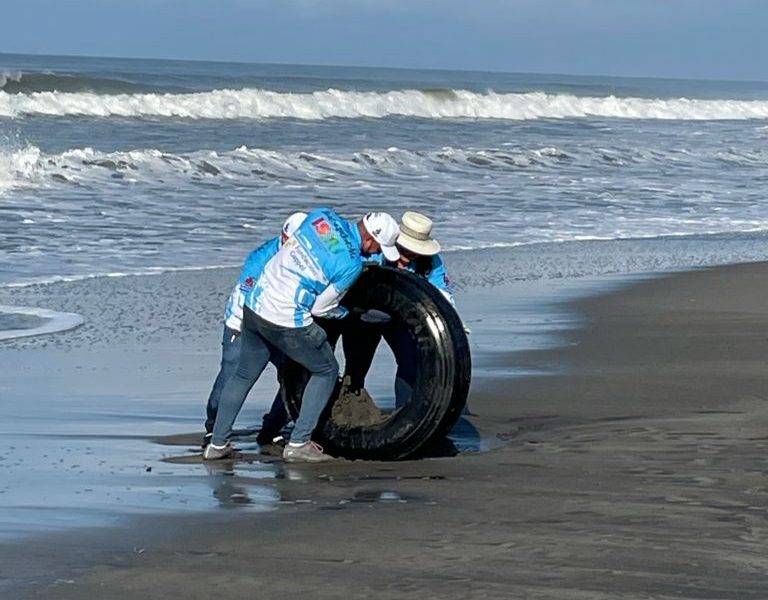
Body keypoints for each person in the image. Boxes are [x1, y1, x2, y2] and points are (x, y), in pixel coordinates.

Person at [205, 208, 400, 462]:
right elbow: (322, 308)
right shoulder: (351, 264)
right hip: (285, 318)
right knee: (326, 370)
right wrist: (349, 315)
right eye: (379, 249)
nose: (377, 254)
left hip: (255, 304)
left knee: (243, 375)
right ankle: (299, 443)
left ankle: (217, 444)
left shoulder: (323, 216)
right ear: (369, 240)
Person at [202, 212, 307, 449]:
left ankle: (273, 427)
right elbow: (249, 296)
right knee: (231, 376)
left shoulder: (306, 258)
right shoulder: (261, 258)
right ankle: (214, 428)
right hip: (242, 323)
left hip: (281, 324)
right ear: (284, 236)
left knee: (295, 376)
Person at [343, 211, 456, 407]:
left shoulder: (430, 262)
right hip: (363, 317)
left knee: (410, 364)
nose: (409, 255)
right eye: (404, 249)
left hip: (401, 320)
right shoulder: (375, 249)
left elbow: (443, 297)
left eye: (415, 251)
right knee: (356, 369)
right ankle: (348, 411)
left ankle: (406, 414)